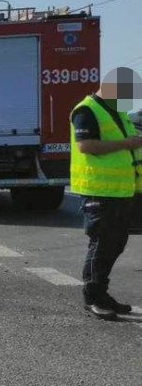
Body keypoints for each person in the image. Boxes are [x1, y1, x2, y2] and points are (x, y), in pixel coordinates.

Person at [70, 67, 142, 320]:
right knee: (101, 244)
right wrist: (127, 143)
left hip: (120, 191)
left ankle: (102, 293)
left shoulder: (118, 112)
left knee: (115, 243)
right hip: (98, 190)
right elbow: (86, 145)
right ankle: (93, 298)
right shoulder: (87, 109)